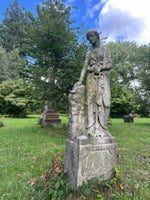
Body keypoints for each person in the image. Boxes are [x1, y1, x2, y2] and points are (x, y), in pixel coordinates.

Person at [74, 29, 112, 137]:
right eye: (88, 37)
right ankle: (91, 128)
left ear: (97, 36)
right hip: (91, 79)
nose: (90, 39)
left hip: (103, 79)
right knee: (90, 102)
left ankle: (103, 128)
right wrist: (80, 81)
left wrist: (101, 67)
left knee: (105, 102)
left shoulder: (105, 50)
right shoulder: (89, 53)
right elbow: (84, 68)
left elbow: (110, 64)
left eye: (91, 36)